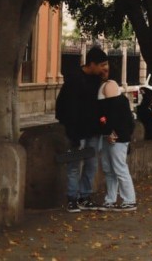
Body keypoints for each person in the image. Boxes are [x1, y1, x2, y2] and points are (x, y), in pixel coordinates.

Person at [55, 46, 109, 212]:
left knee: (91, 165)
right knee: (74, 165)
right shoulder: (74, 79)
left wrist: (105, 79)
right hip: (77, 130)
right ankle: (72, 198)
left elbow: (104, 102)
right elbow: (66, 108)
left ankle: (85, 196)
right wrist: (73, 133)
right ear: (92, 64)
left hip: (93, 130)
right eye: (102, 65)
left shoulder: (97, 80)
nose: (104, 68)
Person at [96, 63, 137, 211]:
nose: (103, 72)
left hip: (117, 137)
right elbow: (105, 115)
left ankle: (129, 199)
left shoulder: (116, 95)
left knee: (119, 168)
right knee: (108, 169)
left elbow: (119, 118)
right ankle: (110, 199)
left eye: (106, 70)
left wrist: (114, 133)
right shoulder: (107, 91)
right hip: (109, 136)